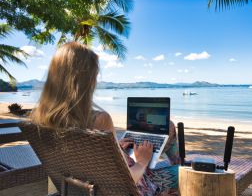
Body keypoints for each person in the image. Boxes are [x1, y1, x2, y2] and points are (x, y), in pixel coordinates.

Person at [31, 42, 180, 196]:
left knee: (168, 126)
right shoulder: (99, 120)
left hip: (81, 185)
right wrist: (142, 161)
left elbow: (91, 163)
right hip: (137, 185)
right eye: (94, 76)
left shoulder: (40, 120)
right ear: (86, 81)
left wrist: (116, 147)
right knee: (182, 172)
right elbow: (124, 184)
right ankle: (177, 172)